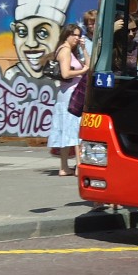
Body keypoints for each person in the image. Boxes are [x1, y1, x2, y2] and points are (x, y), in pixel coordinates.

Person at [47, 23, 88, 176]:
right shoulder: (65, 50)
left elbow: (89, 65)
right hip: (70, 94)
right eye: (74, 35)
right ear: (67, 35)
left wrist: (83, 49)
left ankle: (64, 166)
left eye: (79, 35)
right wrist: (82, 71)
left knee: (67, 130)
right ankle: (78, 165)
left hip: (68, 93)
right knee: (75, 130)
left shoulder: (70, 50)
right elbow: (65, 74)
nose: (77, 38)